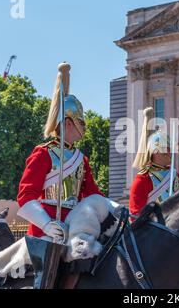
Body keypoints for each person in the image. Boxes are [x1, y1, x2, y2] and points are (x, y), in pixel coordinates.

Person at [13, 62, 121, 288]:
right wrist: (46, 224)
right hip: (48, 228)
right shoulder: (43, 154)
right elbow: (26, 196)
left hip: (78, 225)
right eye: (81, 121)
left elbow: (94, 196)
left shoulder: (81, 159)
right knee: (47, 278)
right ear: (69, 122)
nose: (85, 126)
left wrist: (117, 209)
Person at [129, 107, 179, 218]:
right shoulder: (143, 179)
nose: (171, 152)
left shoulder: (174, 175)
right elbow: (136, 216)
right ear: (156, 151)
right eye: (167, 148)